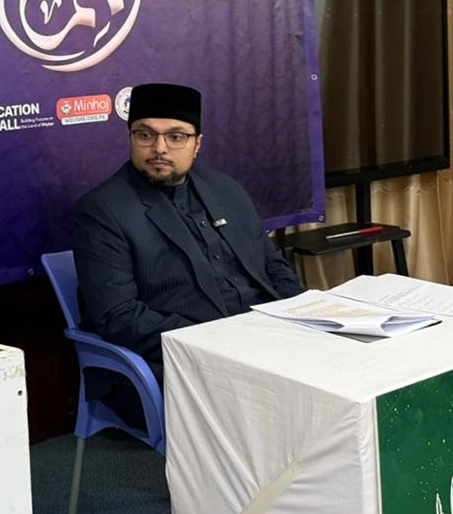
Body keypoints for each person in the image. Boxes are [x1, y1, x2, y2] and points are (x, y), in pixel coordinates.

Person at [73, 82, 303, 384]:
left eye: (176, 137)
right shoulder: (103, 210)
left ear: (197, 144)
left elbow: (273, 265)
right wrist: (215, 343)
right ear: (129, 138)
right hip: (186, 359)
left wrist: (304, 315)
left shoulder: (225, 188)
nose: (159, 148)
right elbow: (120, 317)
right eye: (145, 135)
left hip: (266, 337)